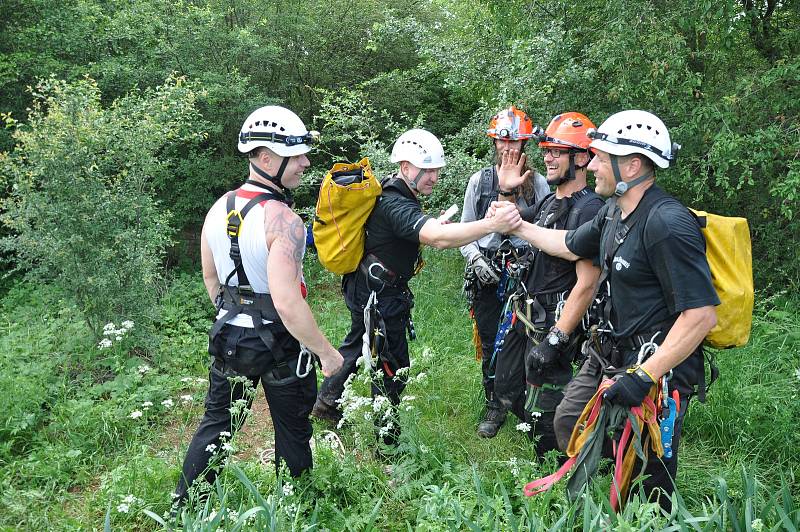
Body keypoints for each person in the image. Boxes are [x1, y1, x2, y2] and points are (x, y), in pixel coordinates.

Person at [497, 110, 718, 507]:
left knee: (648, 478)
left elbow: (700, 316)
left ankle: (643, 511)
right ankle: (599, 492)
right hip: (609, 352)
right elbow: (568, 244)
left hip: (656, 368)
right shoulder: (613, 211)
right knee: (568, 421)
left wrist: (644, 376)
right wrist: (518, 227)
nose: (592, 163)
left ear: (632, 165)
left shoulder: (667, 223)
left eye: (600, 157)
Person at [174, 106, 344, 506]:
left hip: (231, 336)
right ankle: (298, 506)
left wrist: (235, 312)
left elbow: (211, 278)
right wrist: (327, 353)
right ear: (267, 158)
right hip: (280, 344)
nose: (305, 162)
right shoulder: (283, 219)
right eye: (297, 154)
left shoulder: (219, 208)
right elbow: (287, 302)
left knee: (216, 425)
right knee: (292, 428)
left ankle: (185, 506)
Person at [312, 128, 522, 447]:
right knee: (392, 367)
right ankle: (388, 444)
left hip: (368, 288)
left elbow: (426, 234)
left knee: (357, 346)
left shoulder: (397, 195)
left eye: (437, 170)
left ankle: (326, 403)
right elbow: (435, 238)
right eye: (429, 170)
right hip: (378, 296)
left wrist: (439, 229)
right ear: (407, 167)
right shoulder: (395, 203)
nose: (435, 177)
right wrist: (492, 225)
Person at [496, 112, 604, 456]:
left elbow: (588, 283)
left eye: (557, 151)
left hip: (555, 324)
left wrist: (557, 339)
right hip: (527, 315)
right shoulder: (548, 201)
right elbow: (508, 225)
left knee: (548, 411)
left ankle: (556, 473)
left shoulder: (590, 210)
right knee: (510, 389)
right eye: (546, 150)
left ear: (582, 158)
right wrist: (507, 190)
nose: (548, 157)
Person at [459, 105, 549, 438]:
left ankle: (525, 402)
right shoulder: (479, 182)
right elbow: (465, 230)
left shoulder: (538, 184)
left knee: (527, 339)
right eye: (502, 142)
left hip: (526, 273)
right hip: (487, 272)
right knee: (490, 340)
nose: (508, 148)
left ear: (524, 144)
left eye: (514, 143)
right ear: (495, 144)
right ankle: (495, 403)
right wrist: (475, 259)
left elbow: (549, 228)